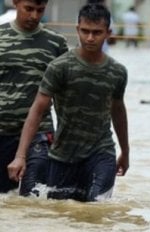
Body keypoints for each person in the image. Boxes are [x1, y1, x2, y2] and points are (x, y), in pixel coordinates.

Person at [8, 3, 129, 202]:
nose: (90, 38)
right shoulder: (60, 67)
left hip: (102, 152)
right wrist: (21, 155)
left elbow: (118, 111)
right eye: (85, 31)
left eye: (97, 32)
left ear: (108, 33)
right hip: (63, 156)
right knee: (61, 213)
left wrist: (125, 151)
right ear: (77, 30)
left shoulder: (117, 71)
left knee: (99, 209)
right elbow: (37, 110)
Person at [0, 0, 68, 196]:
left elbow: (64, 96)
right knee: (7, 200)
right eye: (28, 9)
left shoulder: (56, 43)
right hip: (3, 131)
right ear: (15, 3)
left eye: (40, 10)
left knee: (34, 198)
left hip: (40, 133)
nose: (34, 16)